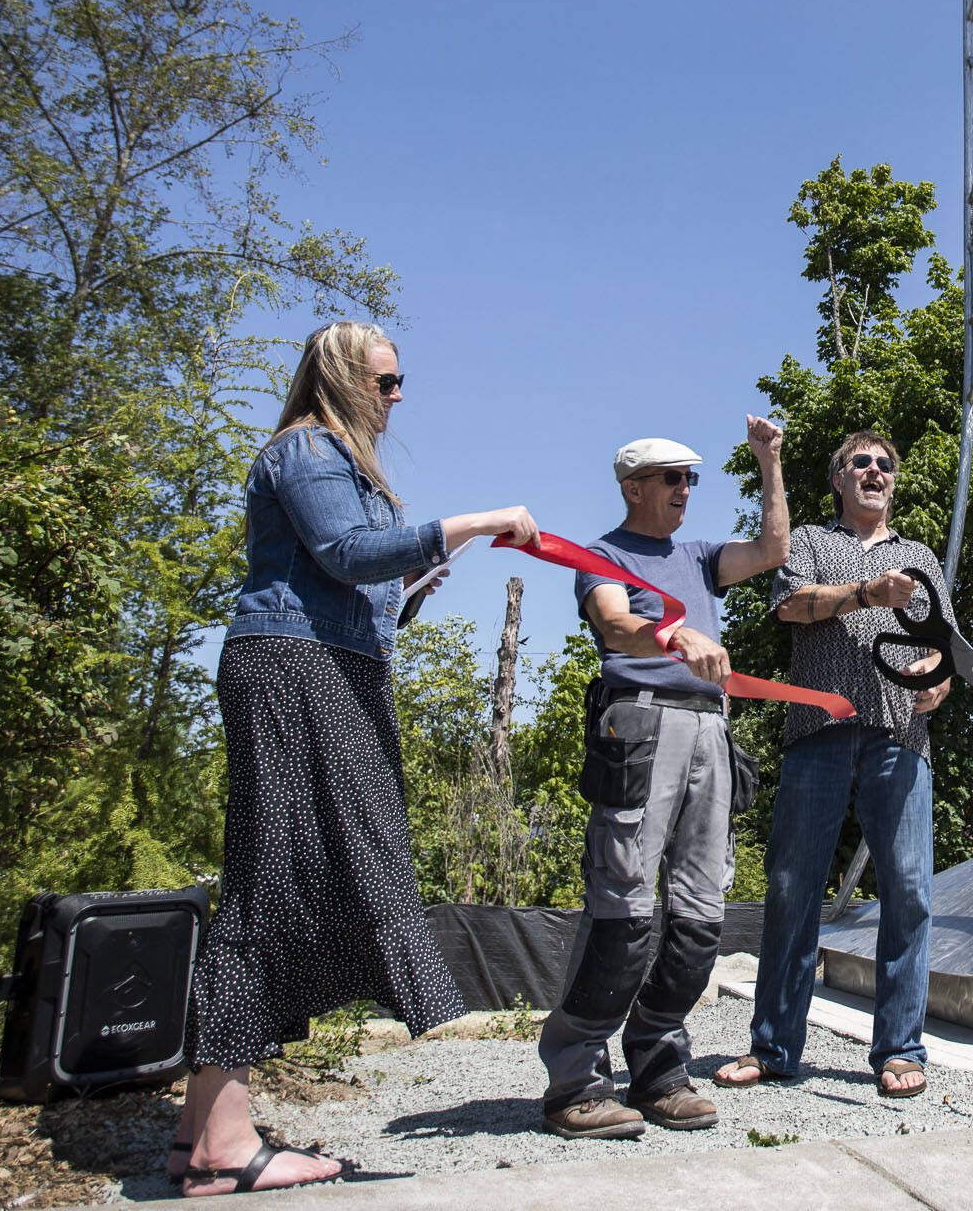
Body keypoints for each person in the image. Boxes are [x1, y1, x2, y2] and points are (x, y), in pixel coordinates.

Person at [176, 321, 541, 1196]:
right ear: (342, 379)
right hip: (292, 667)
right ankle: (222, 1141)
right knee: (277, 882)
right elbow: (344, 553)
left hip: (328, 666)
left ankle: (203, 1127)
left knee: (305, 875)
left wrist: (408, 587)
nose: (398, 396)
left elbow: (354, 580)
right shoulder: (307, 450)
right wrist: (472, 521)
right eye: (386, 381)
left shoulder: (343, 464)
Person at [538, 419, 788, 1141]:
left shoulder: (700, 555)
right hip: (640, 725)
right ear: (634, 488)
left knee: (700, 910)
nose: (685, 491)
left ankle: (658, 1066)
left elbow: (774, 549)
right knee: (623, 907)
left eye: (692, 480)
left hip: (711, 724)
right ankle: (576, 1082)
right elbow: (615, 626)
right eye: (672, 479)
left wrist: (770, 462)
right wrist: (673, 634)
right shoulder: (601, 555)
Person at [714, 432, 951, 1101]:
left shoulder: (921, 557)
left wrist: (938, 679)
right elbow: (791, 605)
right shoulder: (814, 542)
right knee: (793, 889)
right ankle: (775, 1046)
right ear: (839, 481)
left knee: (908, 891)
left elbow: (943, 651)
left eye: (885, 464)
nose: (875, 472)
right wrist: (864, 595)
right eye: (861, 464)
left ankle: (901, 1049)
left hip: (902, 738)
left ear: (893, 482)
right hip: (819, 730)